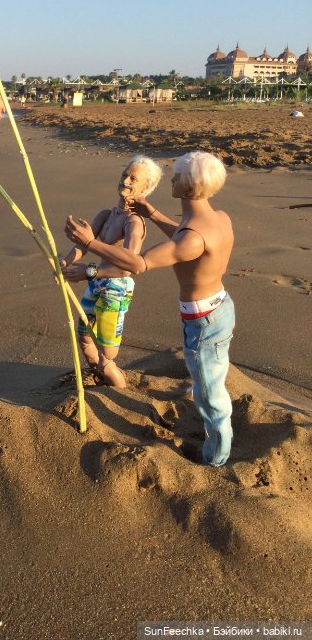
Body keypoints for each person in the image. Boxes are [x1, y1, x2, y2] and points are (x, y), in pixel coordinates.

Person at [65, 151, 234, 467]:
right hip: (217, 308)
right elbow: (184, 235)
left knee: (209, 393)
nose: (171, 179)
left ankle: (216, 458)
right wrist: (153, 212)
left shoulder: (191, 238)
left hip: (205, 318)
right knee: (208, 380)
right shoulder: (218, 218)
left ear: (185, 186)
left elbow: (138, 264)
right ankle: (216, 441)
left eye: (177, 176)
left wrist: (90, 246)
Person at [59, 156, 162, 388]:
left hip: (115, 289)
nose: (125, 180)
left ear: (145, 188)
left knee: (108, 355)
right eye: (125, 174)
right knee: (85, 337)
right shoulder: (106, 215)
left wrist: (88, 272)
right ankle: (101, 381)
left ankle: (120, 393)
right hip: (95, 284)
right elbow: (83, 245)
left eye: (133, 178)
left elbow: (128, 265)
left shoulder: (134, 222)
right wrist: (64, 264)